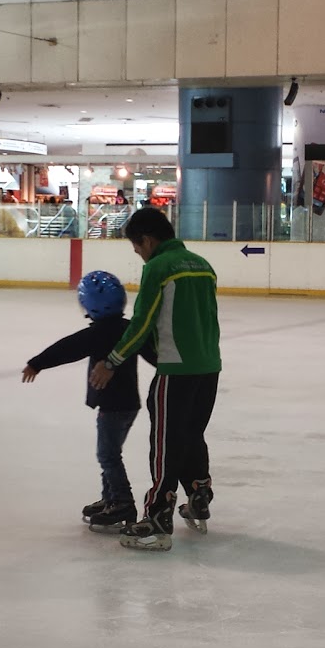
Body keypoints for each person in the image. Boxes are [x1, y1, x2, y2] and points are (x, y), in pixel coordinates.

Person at [89, 206, 221, 552]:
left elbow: (141, 323)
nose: (138, 254)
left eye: (137, 247)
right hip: (209, 367)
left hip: (176, 371)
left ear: (147, 240)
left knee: (165, 443)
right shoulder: (202, 265)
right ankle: (199, 495)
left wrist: (112, 361)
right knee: (192, 435)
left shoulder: (159, 267)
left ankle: (158, 516)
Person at [22, 270, 154, 531]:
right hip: (128, 404)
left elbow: (68, 348)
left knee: (108, 455)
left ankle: (122, 502)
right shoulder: (129, 329)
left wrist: (37, 363)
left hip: (113, 407)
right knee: (110, 453)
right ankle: (110, 497)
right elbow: (153, 351)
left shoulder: (99, 333)